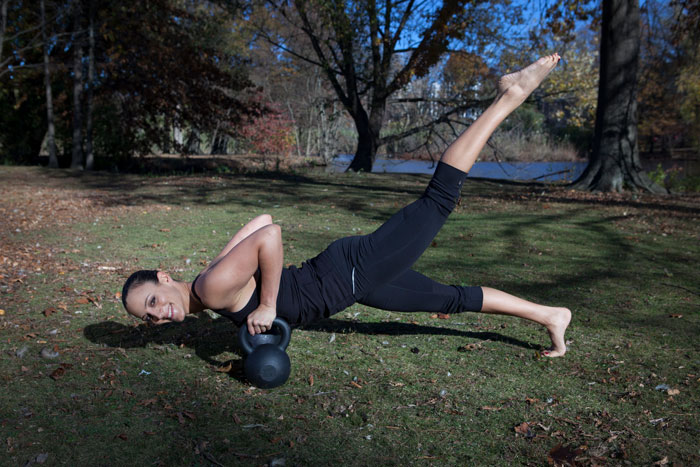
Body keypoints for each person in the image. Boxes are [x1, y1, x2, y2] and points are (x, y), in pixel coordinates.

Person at [122, 54, 571, 357]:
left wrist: (268, 305)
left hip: (350, 271)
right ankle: (551, 315)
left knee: (438, 200)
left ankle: (509, 96)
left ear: (164, 277)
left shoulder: (212, 287)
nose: (160, 315)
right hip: (352, 281)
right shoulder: (208, 282)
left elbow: (270, 234)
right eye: (150, 317)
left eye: (154, 300)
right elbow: (260, 219)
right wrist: (238, 272)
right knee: (447, 298)